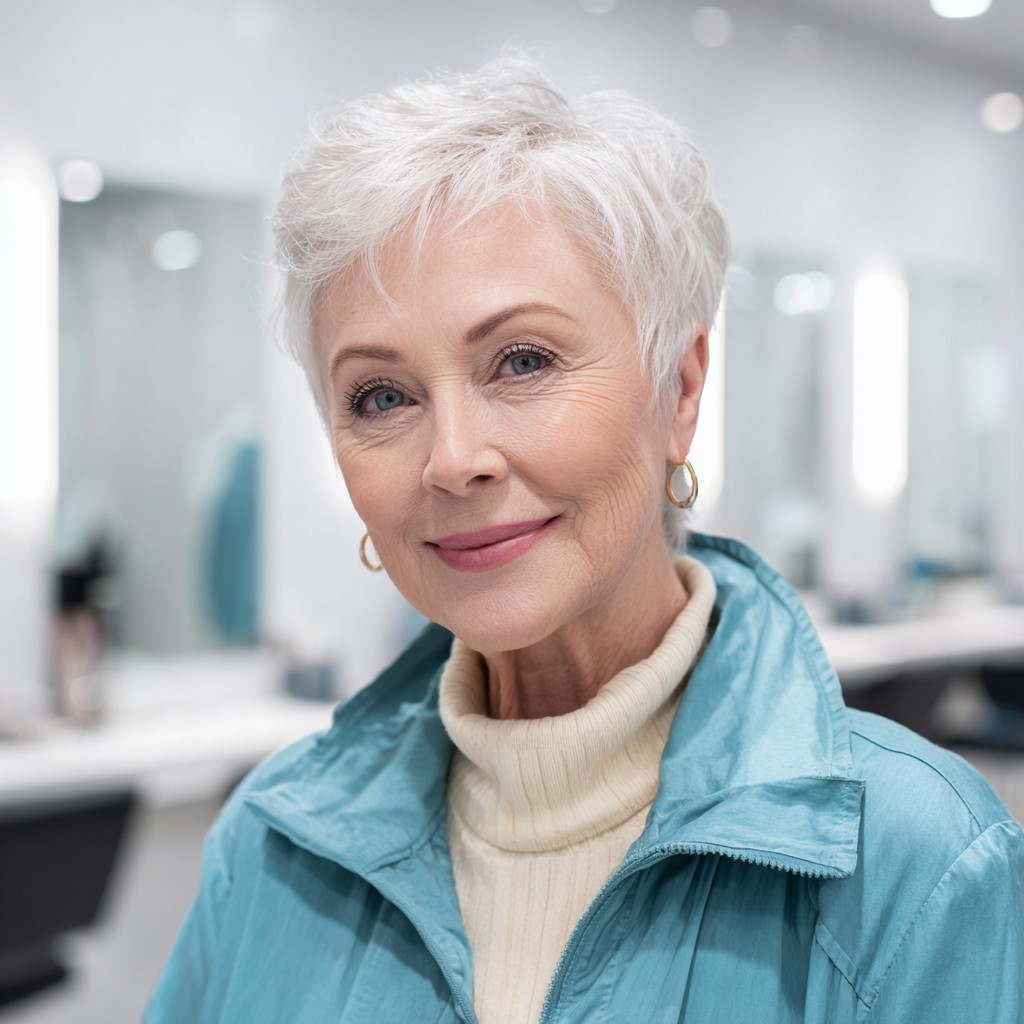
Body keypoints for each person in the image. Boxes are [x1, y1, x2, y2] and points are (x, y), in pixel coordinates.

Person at [146, 51, 1023, 1023]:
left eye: (521, 361)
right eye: (381, 395)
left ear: (680, 390)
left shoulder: (922, 863)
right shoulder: (269, 848)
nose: (452, 458)